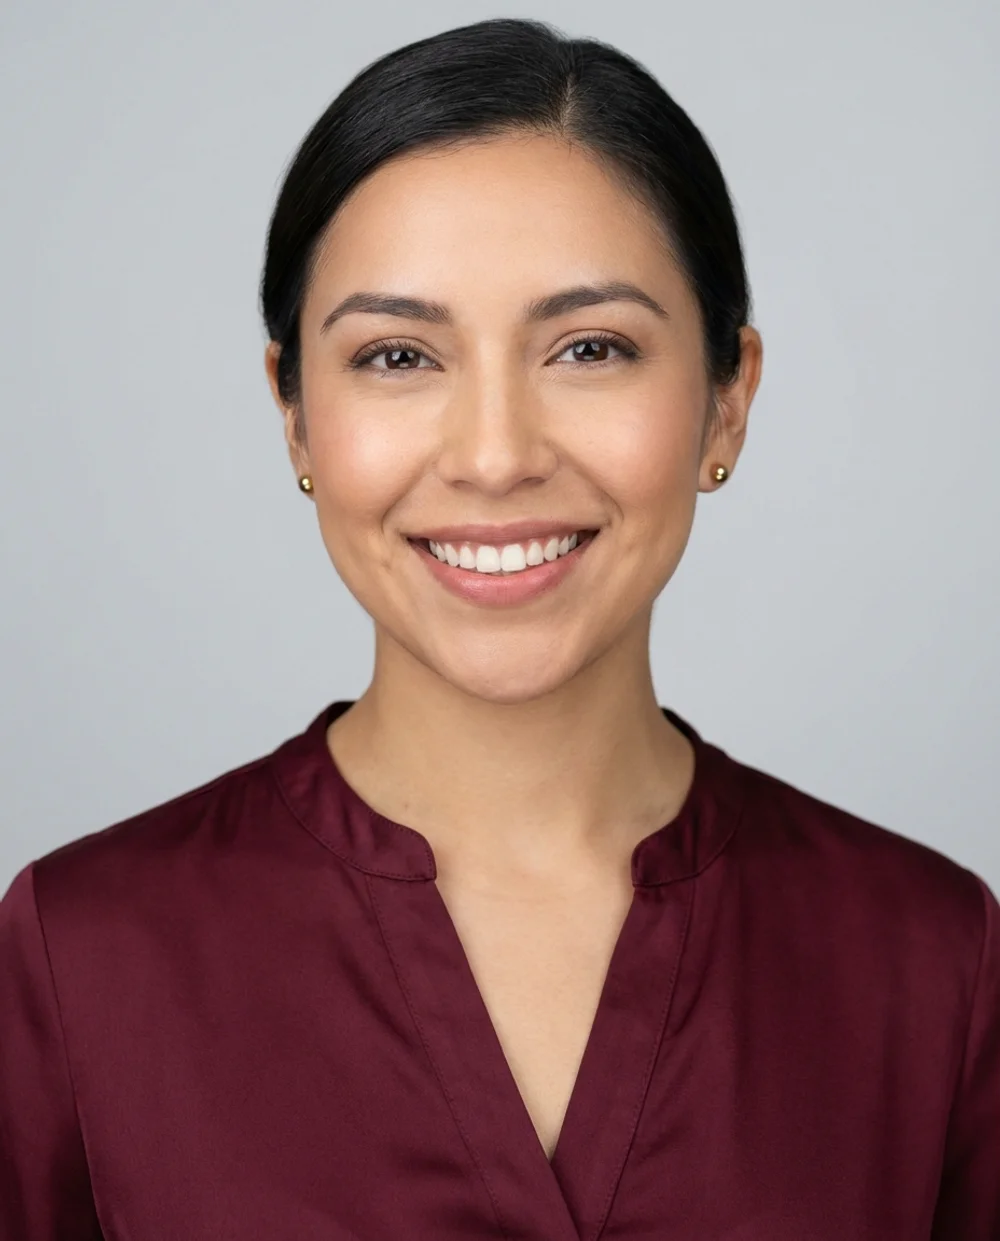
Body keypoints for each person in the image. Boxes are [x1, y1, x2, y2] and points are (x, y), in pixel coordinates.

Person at [1, 16, 997, 1240]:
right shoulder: (81, 954)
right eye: (397, 356)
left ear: (727, 399)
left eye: (589, 347)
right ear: (295, 414)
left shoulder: (931, 960)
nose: (493, 455)